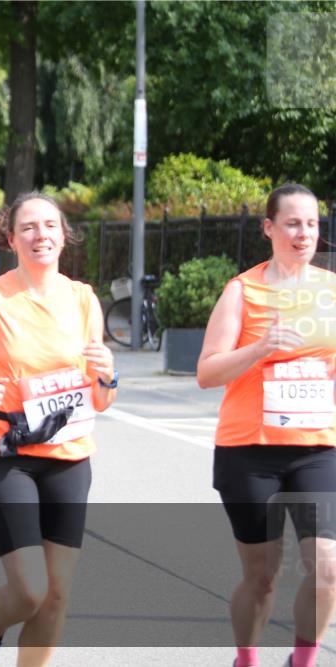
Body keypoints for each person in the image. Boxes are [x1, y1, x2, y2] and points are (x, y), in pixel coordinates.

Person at [0, 191, 116, 667]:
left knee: (56, 597)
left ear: (63, 236)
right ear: (11, 238)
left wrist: (109, 373)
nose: (40, 235)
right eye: (28, 227)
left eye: (50, 225)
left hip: (70, 457)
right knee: (30, 591)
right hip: (7, 455)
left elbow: (101, 397)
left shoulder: (83, 299)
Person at [197, 183, 336, 667]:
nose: (304, 234)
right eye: (293, 223)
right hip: (248, 453)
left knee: (327, 568)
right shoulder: (244, 289)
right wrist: (260, 348)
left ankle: (302, 660)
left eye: (312, 224)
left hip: (317, 450)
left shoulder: (331, 290)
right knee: (263, 578)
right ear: (269, 228)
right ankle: (247, 659)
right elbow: (207, 372)